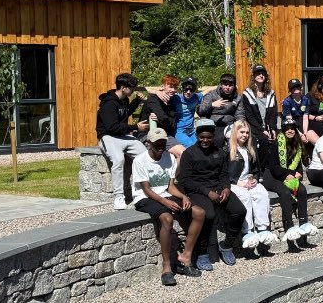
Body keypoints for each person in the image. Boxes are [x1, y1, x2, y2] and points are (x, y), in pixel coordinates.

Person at [131, 128, 204, 285]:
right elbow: (147, 190)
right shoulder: (140, 160)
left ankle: (186, 256)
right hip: (145, 198)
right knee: (167, 218)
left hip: (164, 194)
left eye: (163, 142)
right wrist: (166, 202)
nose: (161, 145)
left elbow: (170, 186)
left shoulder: (170, 158)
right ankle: (167, 266)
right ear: (149, 143)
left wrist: (183, 196)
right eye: (157, 142)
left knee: (199, 213)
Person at [175, 119, 245, 271]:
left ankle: (226, 245)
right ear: (197, 136)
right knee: (208, 215)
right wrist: (208, 192)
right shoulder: (189, 154)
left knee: (239, 211)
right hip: (198, 191)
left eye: (208, 137)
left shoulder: (219, 152)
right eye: (202, 137)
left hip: (218, 189)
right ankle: (202, 253)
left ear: (213, 136)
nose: (205, 140)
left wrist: (226, 188)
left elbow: (224, 174)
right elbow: (185, 180)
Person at [96, 73, 149, 210]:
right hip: (108, 137)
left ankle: (139, 191)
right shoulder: (108, 104)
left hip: (123, 135)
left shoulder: (124, 99)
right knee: (119, 160)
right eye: (132, 88)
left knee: (144, 156)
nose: (134, 90)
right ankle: (119, 197)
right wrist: (135, 127)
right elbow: (111, 127)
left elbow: (124, 113)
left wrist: (136, 101)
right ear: (123, 87)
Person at [225, 120, 278, 251]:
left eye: (247, 133)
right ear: (235, 132)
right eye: (242, 132)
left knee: (261, 194)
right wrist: (238, 182)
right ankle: (247, 231)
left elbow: (255, 169)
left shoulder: (249, 148)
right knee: (245, 197)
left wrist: (254, 178)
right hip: (234, 182)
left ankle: (262, 228)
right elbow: (223, 172)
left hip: (247, 180)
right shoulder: (227, 149)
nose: (245, 135)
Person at [265, 118, 315, 247]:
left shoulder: (297, 145)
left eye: (292, 128)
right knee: (285, 193)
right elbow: (274, 166)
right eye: (287, 129)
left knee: (302, 190)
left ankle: (303, 227)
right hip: (273, 175)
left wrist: (298, 174)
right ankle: (290, 230)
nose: (290, 131)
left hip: (289, 175)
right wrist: (290, 174)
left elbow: (298, 165)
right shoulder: (277, 144)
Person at [140, 75, 186, 161]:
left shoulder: (171, 102)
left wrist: (162, 120)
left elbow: (171, 124)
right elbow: (165, 119)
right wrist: (164, 120)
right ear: (162, 86)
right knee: (157, 157)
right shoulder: (153, 99)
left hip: (166, 135)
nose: (173, 90)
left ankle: (173, 174)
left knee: (183, 153)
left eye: (175, 87)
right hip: (148, 135)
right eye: (170, 87)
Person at [237, 65, 278, 152]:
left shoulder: (271, 94)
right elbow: (250, 116)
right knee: (263, 141)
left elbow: (273, 114)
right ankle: (261, 166)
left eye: (263, 74)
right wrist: (262, 130)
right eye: (258, 73)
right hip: (254, 128)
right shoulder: (247, 94)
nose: (261, 75)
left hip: (268, 127)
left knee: (277, 141)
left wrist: (272, 129)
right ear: (254, 76)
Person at [198, 73, 240, 146]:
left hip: (229, 125)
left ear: (234, 86)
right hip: (213, 124)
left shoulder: (237, 98)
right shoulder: (211, 95)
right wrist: (212, 105)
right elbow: (201, 111)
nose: (228, 87)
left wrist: (240, 126)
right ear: (221, 85)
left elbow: (240, 114)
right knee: (218, 138)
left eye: (230, 85)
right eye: (225, 85)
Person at [173, 77, 204, 148]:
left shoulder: (196, 97)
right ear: (182, 88)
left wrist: (219, 86)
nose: (188, 92)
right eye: (186, 89)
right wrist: (157, 92)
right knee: (191, 147)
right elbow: (162, 93)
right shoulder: (175, 98)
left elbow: (206, 92)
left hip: (191, 130)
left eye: (191, 89)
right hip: (179, 131)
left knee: (200, 145)